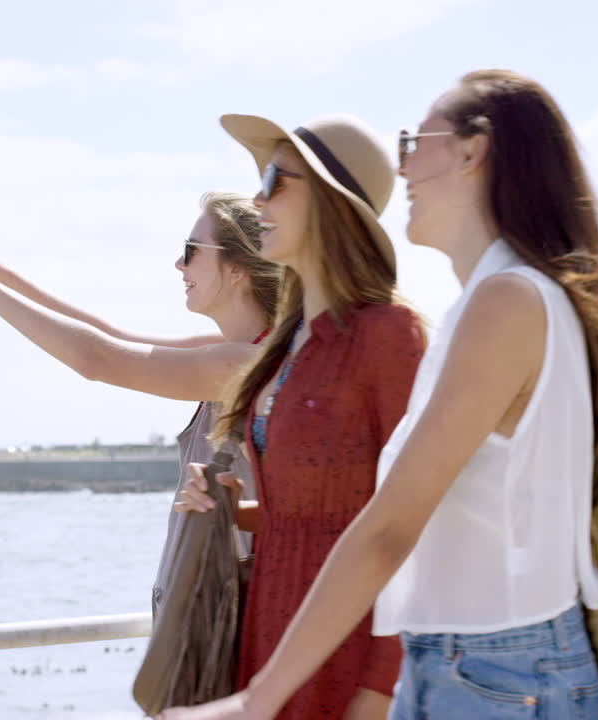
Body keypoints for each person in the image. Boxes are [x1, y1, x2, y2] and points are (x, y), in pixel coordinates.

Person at [162, 69, 598, 720]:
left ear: (470, 151)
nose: (401, 168)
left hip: (499, 672)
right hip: (479, 665)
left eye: (414, 141)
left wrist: (256, 702)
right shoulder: (499, 299)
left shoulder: (506, 302)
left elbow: (391, 526)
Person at [170, 114, 426, 720]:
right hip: (275, 633)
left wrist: (380, 690)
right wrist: (235, 505)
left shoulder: (388, 334)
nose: (257, 198)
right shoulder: (297, 342)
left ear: (333, 204)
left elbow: (414, 527)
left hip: (347, 652)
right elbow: (317, 512)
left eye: (275, 180)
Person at [0, 193, 279, 616]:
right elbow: (112, 337)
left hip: (226, 625)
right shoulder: (247, 351)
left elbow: (99, 359)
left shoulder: (239, 364)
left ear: (237, 269)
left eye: (191, 252)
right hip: (228, 613)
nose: (179, 265)